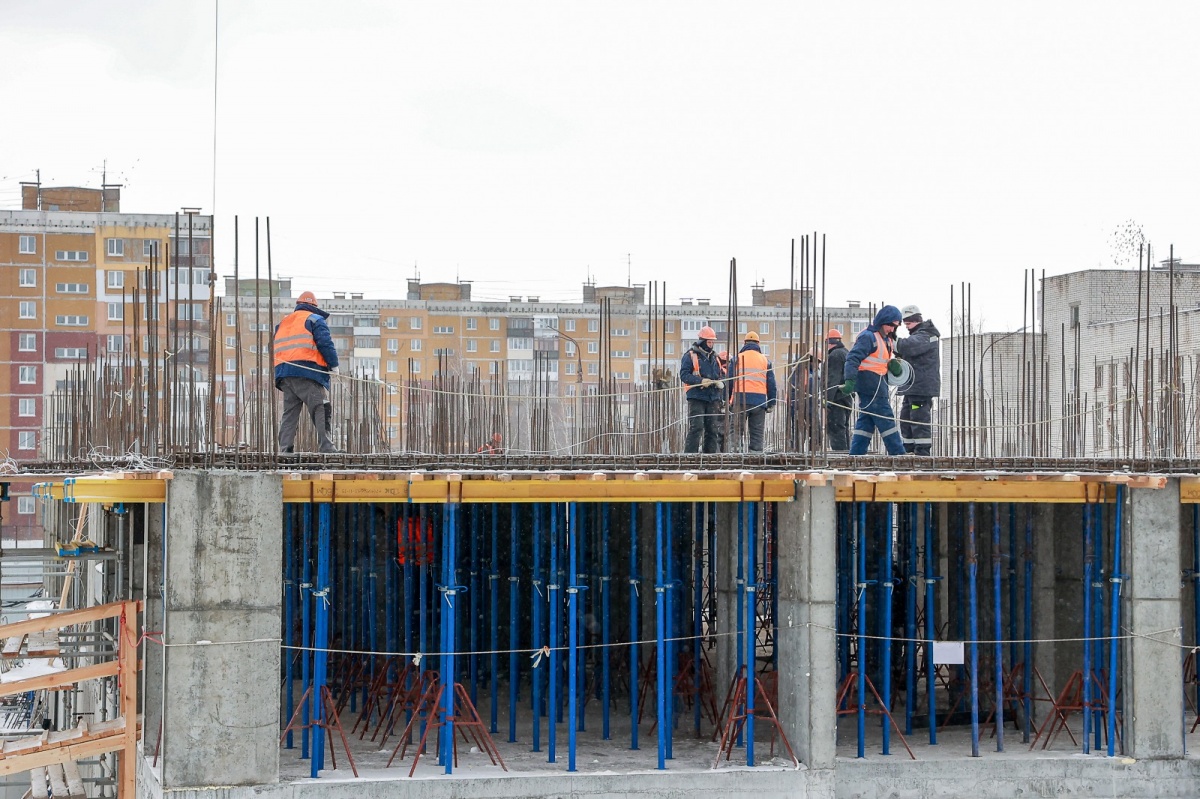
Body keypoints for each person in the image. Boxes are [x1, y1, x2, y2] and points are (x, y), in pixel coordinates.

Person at [274, 290, 340, 453]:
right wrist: (334, 365)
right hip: (306, 372)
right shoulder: (314, 319)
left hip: (284, 374)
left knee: (290, 413)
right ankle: (326, 446)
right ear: (313, 306)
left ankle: (285, 449)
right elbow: (325, 343)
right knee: (321, 406)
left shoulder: (283, 322)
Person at [841, 305, 906, 456]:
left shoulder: (886, 339)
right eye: (890, 325)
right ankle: (898, 454)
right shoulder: (868, 337)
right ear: (882, 321)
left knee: (866, 423)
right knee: (886, 420)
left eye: (895, 326)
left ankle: (856, 455)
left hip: (879, 384)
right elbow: (852, 358)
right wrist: (849, 380)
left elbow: (879, 361)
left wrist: (891, 365)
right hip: (869, 384)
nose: (892, 329)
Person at [895, 305, 941, 456]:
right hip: (913, 389)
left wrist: (891, 340)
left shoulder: (926, 335)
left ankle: (922, 453)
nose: (907, 327)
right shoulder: (919, 335)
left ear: (916, 321)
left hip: (921, 390)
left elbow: (908, 346)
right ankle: (909, 450)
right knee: (906, 418)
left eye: (908, 324)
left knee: (918, 419)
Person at [728, 331, 777, 453]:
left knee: (736, 432)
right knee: (756, 434)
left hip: (740, 400)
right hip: (759, 402)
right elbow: (771, 384)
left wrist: (727, 400)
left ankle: (736, 456)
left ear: (744, 343)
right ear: (758, 344)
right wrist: (771, 402)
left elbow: (728, 381)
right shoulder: (765, 361)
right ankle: (755, 459)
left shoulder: (736, 359)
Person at [679, 326, 725, 453]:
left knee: (712, 429)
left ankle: (709, 458)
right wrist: (700, 381)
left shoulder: (715, 357)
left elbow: (719, 374)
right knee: (697, 427)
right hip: (697, 397)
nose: (711, 345)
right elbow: (684, 375)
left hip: (713, 397)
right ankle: (689, 457)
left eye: (712, 342)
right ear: (702, 341)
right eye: (709, 342)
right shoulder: (690, 355)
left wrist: (719, 382)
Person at [823, 329, 851, 451]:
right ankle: (846, 453)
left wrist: (827, 399)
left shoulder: (834, 355)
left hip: (837, 398)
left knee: (835, 427)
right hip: (846, 396)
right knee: (843, 427)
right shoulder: (846, 353)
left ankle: (840, 455)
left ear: (828, 342)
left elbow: (832, 379)